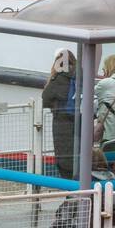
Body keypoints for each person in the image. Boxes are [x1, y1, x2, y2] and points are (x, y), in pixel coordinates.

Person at [41, 49, 78, 180]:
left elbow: (45, 98)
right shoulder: (81, 76)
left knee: (64, 162)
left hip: (62, 125)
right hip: (81, 123)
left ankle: (71, 196)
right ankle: (83, 194)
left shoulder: (59, 78)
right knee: (80, 158)